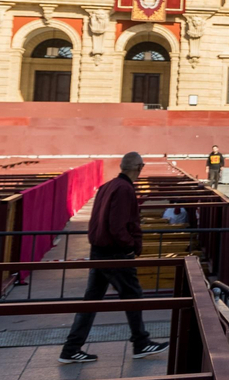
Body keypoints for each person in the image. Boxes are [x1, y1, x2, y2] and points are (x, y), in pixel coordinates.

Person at [59, 153, 169, 364]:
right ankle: (141, 343)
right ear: (139, 167)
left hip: (99, 250)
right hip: (115, 252)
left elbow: (97, 221)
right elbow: (117, 227)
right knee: (133, 294)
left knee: (91, 301)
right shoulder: (125, 189)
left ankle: (71, 348)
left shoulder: (107, 186)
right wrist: (132, 245)